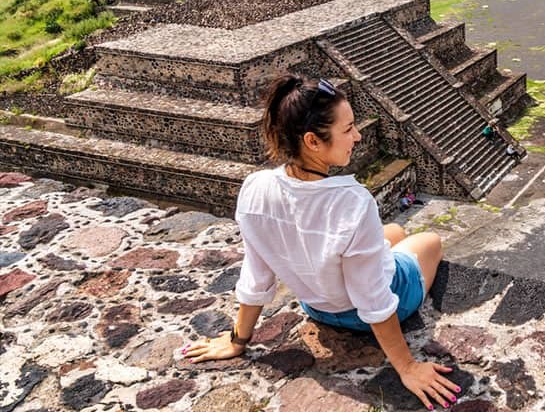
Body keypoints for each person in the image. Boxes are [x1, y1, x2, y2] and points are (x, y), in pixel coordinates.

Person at [183, 76, 459, 409]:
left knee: (394, 235)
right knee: (428, 240)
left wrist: (237, 341)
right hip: (372, 310)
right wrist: (408, 367)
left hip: (319, 308)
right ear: (313, 141)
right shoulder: (352, 202)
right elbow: (373, 301)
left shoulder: (255, 189)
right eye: (348, 129)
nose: (357, 136)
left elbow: (257, 275)